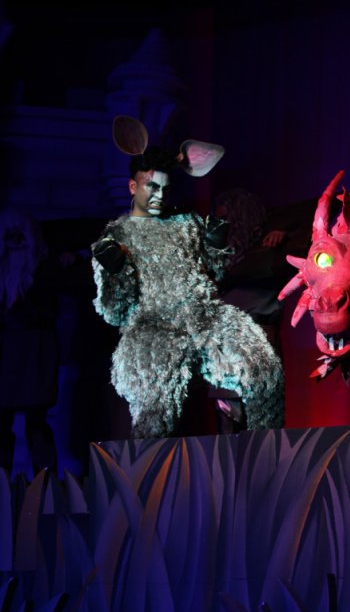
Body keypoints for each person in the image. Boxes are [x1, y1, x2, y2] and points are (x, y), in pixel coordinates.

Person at [91, 126, 283, 439]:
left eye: (165, 189)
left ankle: (266, 452)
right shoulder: (118, 236)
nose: (159, 196)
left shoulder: (186, 224)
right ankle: (149, 460)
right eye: (151, 187)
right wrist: (116, 272)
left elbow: (213, 275)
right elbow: (114, 312)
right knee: (155, 409)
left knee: (262, 369)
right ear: (132, 186)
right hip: (153, 326)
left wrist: (215, 245)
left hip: (205, 318)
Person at [0, 209, 59, 474]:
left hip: (36, 352)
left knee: (36, 422)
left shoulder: (43, 271)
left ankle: (45, 485)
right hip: (8, 354)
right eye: (9, 237)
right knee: (2, 424)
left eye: (20, 236)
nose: (15, 243)